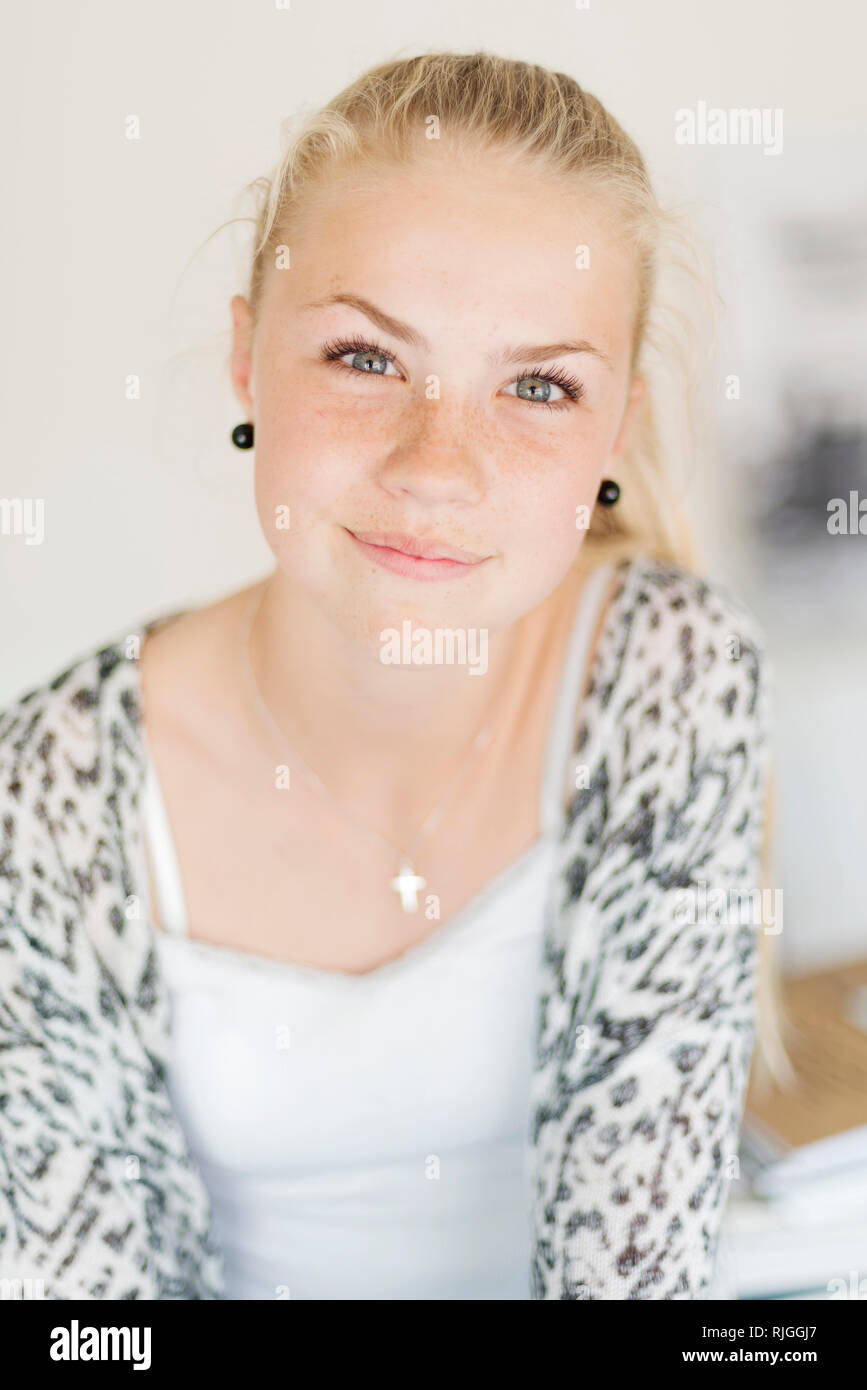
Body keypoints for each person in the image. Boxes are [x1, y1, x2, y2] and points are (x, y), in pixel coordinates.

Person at [0, 51, 776, 1300]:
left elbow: (639, 1284)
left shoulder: (667, 678)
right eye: (366, 358)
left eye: (537, 385)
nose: (438, 466)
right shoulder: (48, 789)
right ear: (250, 360)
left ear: (613, 432)